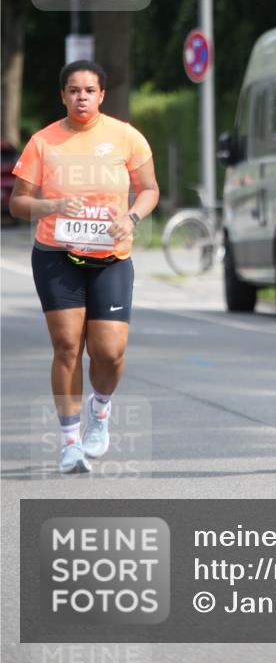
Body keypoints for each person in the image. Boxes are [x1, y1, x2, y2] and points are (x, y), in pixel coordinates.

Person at [9, 60, 159, 474]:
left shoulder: (125, 137)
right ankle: (70, 441)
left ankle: (101, 410)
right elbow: (18, 203)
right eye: (73, 90)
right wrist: (52, 205)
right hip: (58, 254)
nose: (81, 97)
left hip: (110, 256)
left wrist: (130, 218)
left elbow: (149, 189)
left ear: (101, 95)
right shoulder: (43, 142)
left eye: (89, 90)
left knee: (108, 352)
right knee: (68, 346)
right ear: (63, 96)